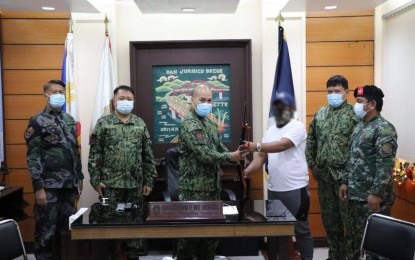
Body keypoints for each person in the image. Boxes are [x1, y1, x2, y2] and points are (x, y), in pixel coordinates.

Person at [177, 83, 245, 260]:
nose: (206, 103)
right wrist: (230, 156)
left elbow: (218, 147)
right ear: (193, 101)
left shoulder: (208, 122)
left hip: (212, 188)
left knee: (210, 235)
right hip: (193, 190)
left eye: (209, 100)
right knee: (189, 237)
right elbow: (204, 154)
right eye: (202, 100)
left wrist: (236, 154)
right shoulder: (189, 124)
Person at [88, 85, 157, 260]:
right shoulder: (103, 123)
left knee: (134, 229)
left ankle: (133, 256)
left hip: (135, 185)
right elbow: (95, 155)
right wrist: (95, 180)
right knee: (111, 230)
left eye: (129, 99)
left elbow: (147, 154)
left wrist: (149, 181)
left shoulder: (140, 123)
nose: (125, 102)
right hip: (111, 186)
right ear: (114, 101)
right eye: (122, 98)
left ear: (133, 101)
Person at [242, 92, 314, 260]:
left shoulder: (297, 126)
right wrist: (246, 171)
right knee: (276, 230)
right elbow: (261, 157)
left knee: (301, 229)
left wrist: (255, 146)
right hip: (275, 189)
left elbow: (283, 145)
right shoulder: (270, 131)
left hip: (295, 189)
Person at [25, 79, 83, 259]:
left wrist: (79, 178)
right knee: (46, 230)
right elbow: (33, 156)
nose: (59, 95)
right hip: (48, 186)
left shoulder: (69, 119)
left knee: (65, 231)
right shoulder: (37, 120)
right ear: (46, 95)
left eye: (61, 92)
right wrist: (38, 187)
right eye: (55, 92)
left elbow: (75, 150)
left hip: (68, 185)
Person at [340, 85, 398, 260]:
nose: (355, 105)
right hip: (355, 196)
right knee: (354, 239)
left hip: (372, 199)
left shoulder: (384, 129)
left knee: (376, 244)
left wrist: (376, 193)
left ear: (371, 104)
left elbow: (385, 165)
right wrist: (345, 181)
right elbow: (351, 157)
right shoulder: (359, 126)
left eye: (359, 102)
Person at [305, 75, 359, 260]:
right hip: (325, 176)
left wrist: (347, 178)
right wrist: (313, 165)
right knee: (330, 221)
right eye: (330, 92)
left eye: (337, 91)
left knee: (349, 223)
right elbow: (311, 139)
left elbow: (357, 150)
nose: (333, 95)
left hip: (345, 179)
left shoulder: (354, 115)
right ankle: (334, 255)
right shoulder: (320, 113)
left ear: (346, 92)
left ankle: (351, 257)